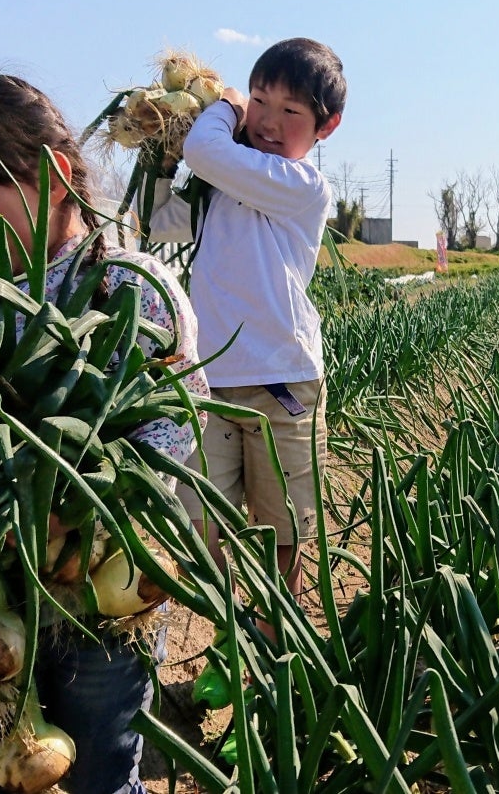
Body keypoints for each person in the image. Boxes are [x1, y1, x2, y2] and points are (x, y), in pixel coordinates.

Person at [0, 74, 208, 794]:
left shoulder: (129, 286)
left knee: (103, 762)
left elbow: (177, 416)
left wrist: (72, 508)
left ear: (57, 175)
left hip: (98, 591)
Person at [149, 37, 346, 609]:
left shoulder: (302, 186)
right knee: (198, 516)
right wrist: (160, 161)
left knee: (282, 530)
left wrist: (227, 105)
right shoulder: (223, 187)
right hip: (211, 380)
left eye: (291, 111)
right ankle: (227, 636)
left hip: (280, 381)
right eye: (260, 102)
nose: (267, 120)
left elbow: (206, 151)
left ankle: (273, 637)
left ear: (324, 128)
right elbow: (161, 222)